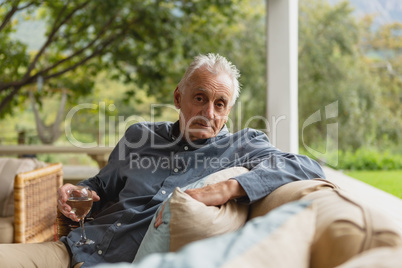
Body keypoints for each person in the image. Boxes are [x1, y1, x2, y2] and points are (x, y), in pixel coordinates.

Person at [0, 53, 325, 268]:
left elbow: (307, 166)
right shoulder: (139, 135)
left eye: (220, 104)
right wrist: (76, 191)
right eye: (200, 98)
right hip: (70, 250)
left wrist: (228, 187)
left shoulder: (243, 146)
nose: (208, 113)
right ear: (177, 98)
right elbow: (100, 185)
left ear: (228, 112)